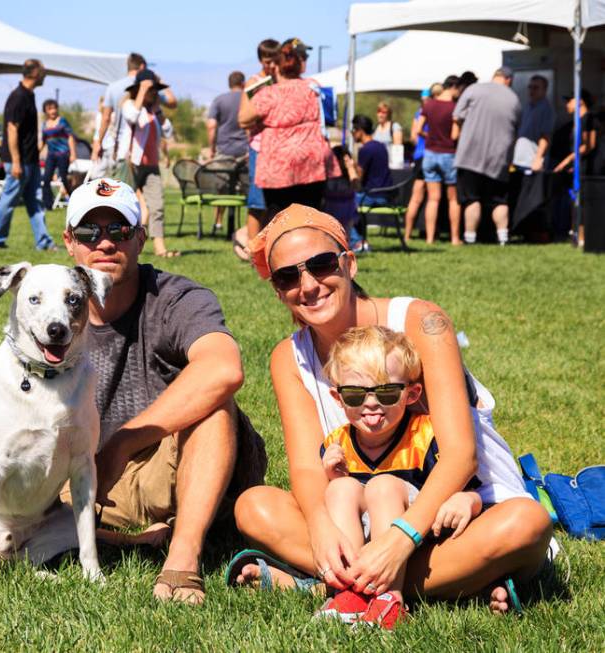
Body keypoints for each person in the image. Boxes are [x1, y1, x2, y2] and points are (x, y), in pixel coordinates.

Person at [0, 178, 267, 606]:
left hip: (162, 465)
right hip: (73, 483)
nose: (106, 243)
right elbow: (4, 431)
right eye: (91, 233)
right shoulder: (44, 318)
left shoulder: (173, 299)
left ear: (140, 239)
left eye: (120, 231)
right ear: (69, 241)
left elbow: (225, 368)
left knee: (215, 405)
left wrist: (124, 442)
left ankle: (182, 558)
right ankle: (131, 541)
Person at [231, 204, 552, 616]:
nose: (308, 285)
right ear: (277, 290)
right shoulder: (287, 358)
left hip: (457, 509)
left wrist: (400, 539)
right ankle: (445, 582)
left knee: (527, 523)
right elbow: (308, 469)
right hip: (357, 520)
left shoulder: (420, 321)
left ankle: (333, 585)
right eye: (288, 276)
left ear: (349, 263)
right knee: (254, 506)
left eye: (321, 264)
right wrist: (322, 528)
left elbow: (459, 457)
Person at [316, 326, 483, 629]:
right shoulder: (336, 443)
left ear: (411, 394)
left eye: (387, 392)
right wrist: (331, 475)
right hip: (365, 537)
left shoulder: (425, 434)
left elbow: (470, 489)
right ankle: (350, 592)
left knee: (382, 486)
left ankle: (390, 599)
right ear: (337, 398)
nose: (370, 404)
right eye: (354, 395)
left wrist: (465, 500)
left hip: (418, 534)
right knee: (340, 488)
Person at [238, 38, 334, 216]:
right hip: (312, 166)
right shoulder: (314, 88)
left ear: (277, 66)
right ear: (300, 64)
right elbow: (329, 116)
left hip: (278, 170)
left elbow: (243, 119)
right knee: (311, 219)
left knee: (280, 220)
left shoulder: (269, 94)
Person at [0, 59, 55, 250]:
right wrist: (16, 161)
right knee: (9, 200)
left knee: (35, 202)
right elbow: (12, 129)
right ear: (33, 73)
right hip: (19, 161)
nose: (45, 74)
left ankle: (44, 242)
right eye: (42, 70)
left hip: (30, 160)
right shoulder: (18, 97)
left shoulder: (29, 95)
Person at [454, 66, 521, 246]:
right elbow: (516, 128)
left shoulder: (474, 90)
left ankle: (470, 237)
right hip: (499, 159)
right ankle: (503, 237)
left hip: (469, 156)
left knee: (471, 199)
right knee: (500, 200)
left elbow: (457, 116)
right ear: (509, 79)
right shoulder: (514, 99)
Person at [123, 70, 179, 258]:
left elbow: (168, 132)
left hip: (152, 166)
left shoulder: (153, 111)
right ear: (139, 89)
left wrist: (158, 110)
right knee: (125, 206)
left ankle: (159, 248)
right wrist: (142, 91)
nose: (154, 93)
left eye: (155, 90)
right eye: (150, 90)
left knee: (157, 206)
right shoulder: (129, 104)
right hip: (132, 164)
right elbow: (131, 117)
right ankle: (123, 245)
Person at [414, 74, 461, 245]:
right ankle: (455, 238)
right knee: (453, 199)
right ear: (454, 88)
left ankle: (429, 238)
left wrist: (431, 136)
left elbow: (418, 129)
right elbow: (454, 134)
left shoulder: (429, 105)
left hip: (430, 154)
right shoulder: (455, 107)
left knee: (433, 199)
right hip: (448, 153)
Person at [242, 39, 280, 244]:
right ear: (260, 60)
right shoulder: (253, 83)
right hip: (259, 147)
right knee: (257, 202)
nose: (271, 66)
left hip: (280, 148)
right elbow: (244, 118)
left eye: (275, 61)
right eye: (267, 61)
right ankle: (251, 248)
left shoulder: (283, 81)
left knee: (276, 203)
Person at [549, 90, 596, 243]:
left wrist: (566, 161)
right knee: (574, 199)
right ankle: (575, 232)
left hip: (589, 167)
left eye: (570, 100)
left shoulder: (589, 119)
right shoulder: (577, 122)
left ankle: (583, 236)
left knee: (583, 201)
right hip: (578, 167)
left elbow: (588, 145)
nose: (566, 104)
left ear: (580, 101)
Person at [90, 53, 146, 178]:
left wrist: (98, 143)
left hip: (119, 148)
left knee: (120, 189)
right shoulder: (147, 87)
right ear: (142, 67)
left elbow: (106, 118)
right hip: (145, 149)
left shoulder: (113, 87)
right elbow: (172, 102)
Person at [207, 71, 250, 232]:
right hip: (245, 153)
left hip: (224, 151)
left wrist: (211, 149)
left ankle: (218, 223)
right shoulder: (248, 99)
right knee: (248, 191)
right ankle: (248, 227)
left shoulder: (219, 100)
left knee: (221, 190)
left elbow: (211, 126)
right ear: (243, 83)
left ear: (229, 84)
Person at [403, 85, 441, 244]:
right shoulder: (433, 112)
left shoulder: (418, 112)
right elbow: (418, 133)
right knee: (433, 198)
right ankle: (430, 238)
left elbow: (413, 136)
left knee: (416, 197)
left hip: (419, 156)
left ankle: (407, 235)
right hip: (431, 154)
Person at [350, 114, 393, 252]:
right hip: (387, 194)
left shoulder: (366, 149)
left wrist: (350, 167)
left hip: (374, 195)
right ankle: (361, 240)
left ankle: (357, 242)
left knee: (344, 203)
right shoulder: (380, 146)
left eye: (353, 131)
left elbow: (358, 180)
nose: (352, 134)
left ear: (360, 131)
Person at [513, 75, 554, 174]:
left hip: (532, 162)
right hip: (519, 160)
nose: (532, 91)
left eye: (536, 88)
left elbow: (546, 136)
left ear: (544, 90)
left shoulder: (546, 109)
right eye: (530, 87)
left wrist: (538, 159)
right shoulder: (528, 106)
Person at [40, 99, 76, 210]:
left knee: (64, 179)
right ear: (46, 111)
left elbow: (70, 137)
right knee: (46, 179)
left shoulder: (62, 121)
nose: (53, 111)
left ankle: (74, 201)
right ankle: (48, 205)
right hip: (51, 155)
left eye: (54, 108)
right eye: (50, 109)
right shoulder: (45, 125)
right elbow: (43, 141)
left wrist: (73, 153)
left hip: (63, 154)